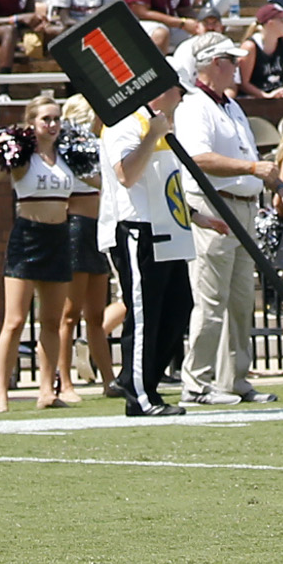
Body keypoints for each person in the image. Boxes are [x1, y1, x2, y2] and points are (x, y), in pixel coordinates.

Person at [170, 31, 272, 405]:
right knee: (211, 299)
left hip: (242, 205)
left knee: (242, 300)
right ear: (215, 64)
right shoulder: (194, 106)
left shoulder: (229, 105)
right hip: (215, 206)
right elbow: (197, 158)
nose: (239, 66)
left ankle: (235, 379)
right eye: (231, 59)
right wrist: (251, 167)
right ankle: (197, 383)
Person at [0, 94, 78, 411]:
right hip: (27, 238)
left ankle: (47, 391)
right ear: (32, 123)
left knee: (51, 321)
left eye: (56, 118)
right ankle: (1, 393)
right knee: (14, 321)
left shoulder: (69, 155)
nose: (53, 125)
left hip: (59, 237)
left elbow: (99, 181)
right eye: (46, 119)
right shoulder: (22, 158)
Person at [98, 73, 196, 417]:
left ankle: (144, 383)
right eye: (178, 88)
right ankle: (138, 393)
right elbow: (126, 175)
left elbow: (164, 182)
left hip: (168, 227)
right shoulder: (125, 123)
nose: (182, 95)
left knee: (178, 306)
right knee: (144, 314)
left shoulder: (163, 128)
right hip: (137, 229)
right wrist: (152, 135)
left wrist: (195, 216)